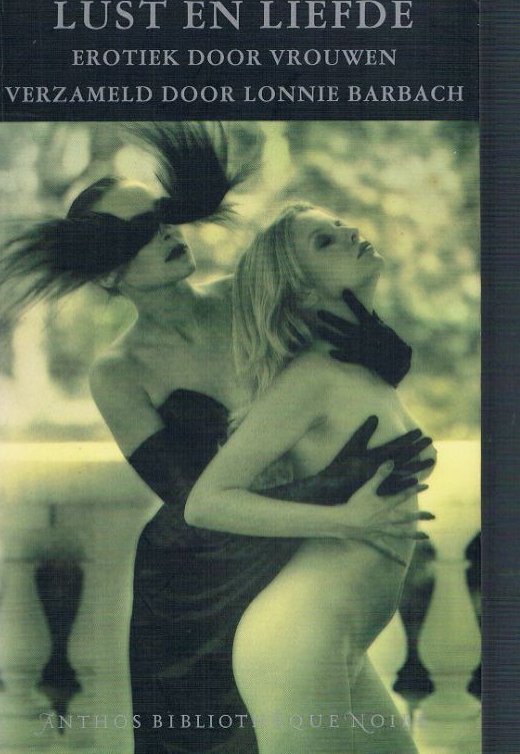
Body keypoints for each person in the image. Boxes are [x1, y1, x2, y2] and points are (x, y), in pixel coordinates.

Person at [0, 123, 435, 754]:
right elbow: (191, 498)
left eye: (160, 219)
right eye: (138, 236)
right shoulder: (118, 373)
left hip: (296, 562)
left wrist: (386, 353)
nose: (166, 236)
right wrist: (335, 494)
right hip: (194, 588)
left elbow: (350, 384)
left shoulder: (248, 299)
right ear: (108, 276)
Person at [185, 202, 437, 753]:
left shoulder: (362, 363)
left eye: (339, 225)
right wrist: (343, 520)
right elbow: (205, 501)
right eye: (324, 241)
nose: (349, 231)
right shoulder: (313, 377)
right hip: (296, 640)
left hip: (340, 643)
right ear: (299, 291)